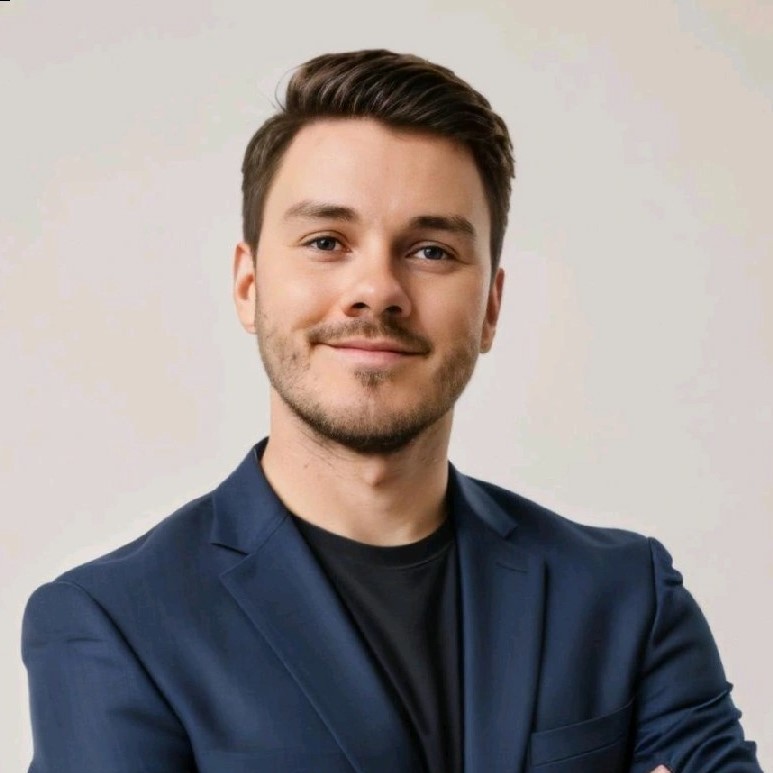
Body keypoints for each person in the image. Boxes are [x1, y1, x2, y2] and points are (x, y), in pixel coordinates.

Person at [22, 50, 761, 773]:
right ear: (249, 286)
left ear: (490, 306)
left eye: (432, 251)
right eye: (326, 242)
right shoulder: (110, 624)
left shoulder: (624, 597)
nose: (377, 289)